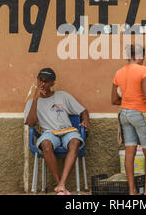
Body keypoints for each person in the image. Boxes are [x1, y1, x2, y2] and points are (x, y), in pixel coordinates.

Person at [24, 67, 90, 195]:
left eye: (46, 81)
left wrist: (85, 120)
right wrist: (36, 99)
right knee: (46, 145)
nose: (42, 84)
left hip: (67, 131)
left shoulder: (63, 96)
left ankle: (61, 185)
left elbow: (83, 111)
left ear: (52, 83)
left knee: (75, 142)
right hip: (49, 133)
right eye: (40, 80)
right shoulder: (32, 102)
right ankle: (60, 184)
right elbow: (31, 123)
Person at [111, 44, 146, 195]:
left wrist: (127, 102)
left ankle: (132, 191)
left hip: (124, 114)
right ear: (138, 56)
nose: (143, 60)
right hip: (140, 113)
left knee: (129, 152)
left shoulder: (119, 72)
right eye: (143, 57)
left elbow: (114, 99)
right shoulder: (143, 70)